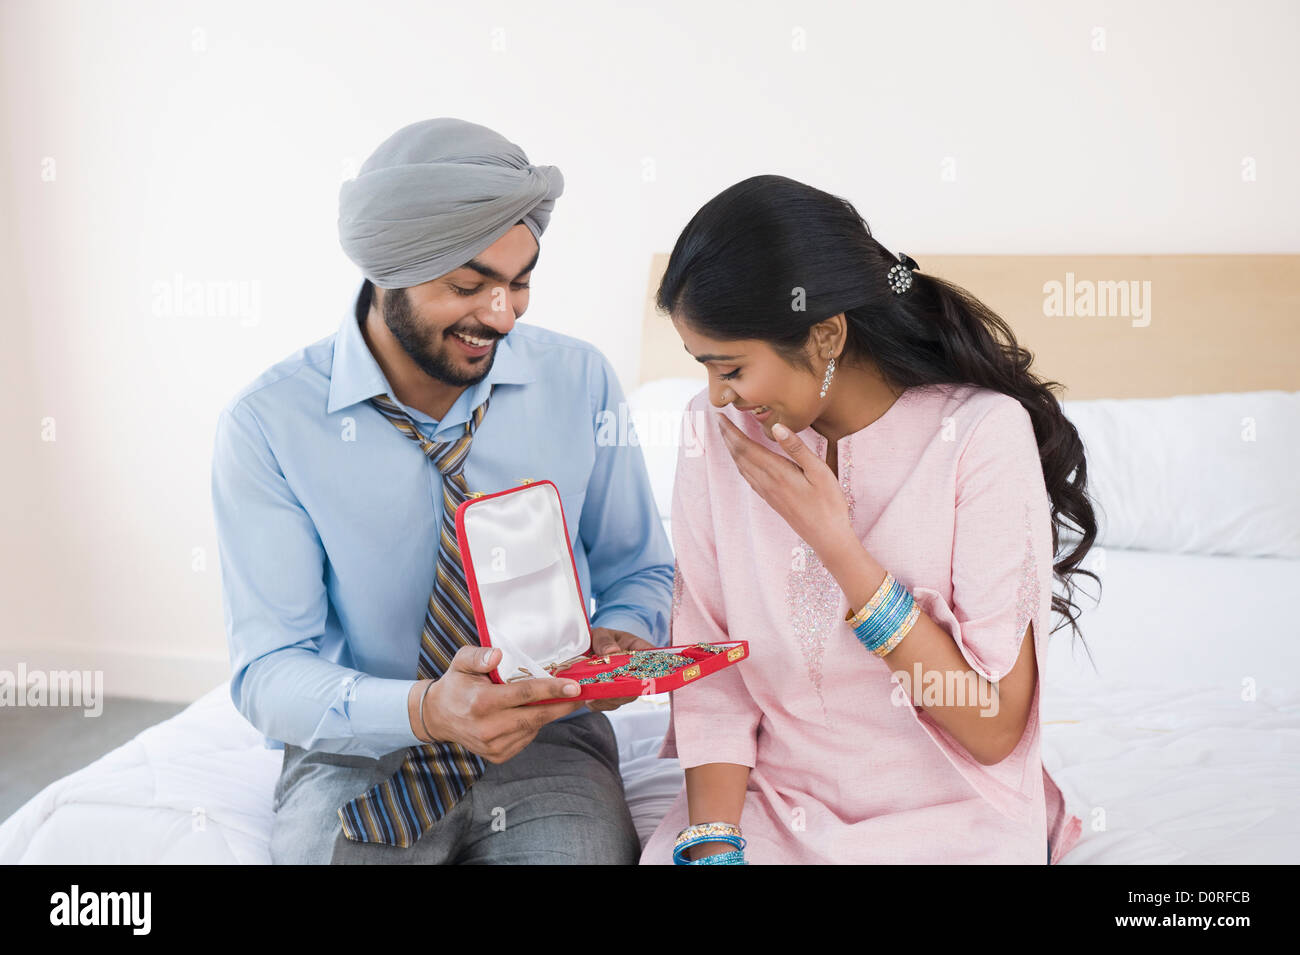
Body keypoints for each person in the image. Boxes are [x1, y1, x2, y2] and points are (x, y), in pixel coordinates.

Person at [211, 118, 674, 864]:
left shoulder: (578, 380)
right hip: (362, 748)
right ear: (388, 272)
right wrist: (428, 709)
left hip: (548, 736)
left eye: (519, 283)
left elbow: (639, 568)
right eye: (469, 286)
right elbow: (268, 669)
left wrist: (624, 635)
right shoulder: (270, 424)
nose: (502, 314)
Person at [641, 175, 1095, 865]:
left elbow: (994, 726)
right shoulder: (714, 430)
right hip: (774, 808)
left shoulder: (979, 436)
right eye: (703, 366)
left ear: (825, 335)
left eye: (731, 366)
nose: (717, 393)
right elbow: (711, 661)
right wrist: (714, 840)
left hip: (951, 816)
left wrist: (835, 544)